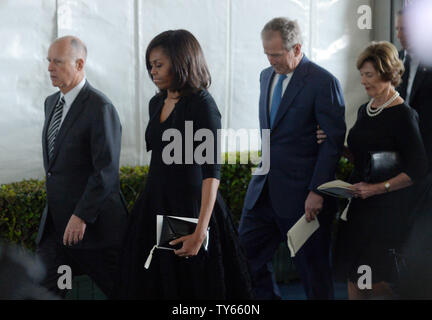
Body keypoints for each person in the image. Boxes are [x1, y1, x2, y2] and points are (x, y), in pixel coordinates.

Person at [117, 29, 253, 299]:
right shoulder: (156, 102)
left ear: (181, 62)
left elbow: (211, 174)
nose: (152, 72)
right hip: (154, 204)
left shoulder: (202, 105)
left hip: (190, 210)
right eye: (150, 66)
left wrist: (200, 232)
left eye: (159, 65)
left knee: (192, 287)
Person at [238, 17, 346, 300]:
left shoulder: (324, 82)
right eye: (266, 54)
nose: (270, 60)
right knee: (244, 259)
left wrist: (316, 191)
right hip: (262, 192)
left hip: (303, 198)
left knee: (313, 274)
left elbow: (332, 143)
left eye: (276, 54)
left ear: (297, 48)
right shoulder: (265, 76)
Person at [36, 36, 128, 299]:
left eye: (58, 61)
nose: (50, 67)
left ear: (79, 64)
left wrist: (82, 215)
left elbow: (106, 171)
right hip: (56, 226)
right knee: (48, 289)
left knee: (119, 290)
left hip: (95, 229)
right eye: (49, 61)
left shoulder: (101, 107)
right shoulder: (50, 103)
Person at [334, 41, 428, 299]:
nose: (363, 81)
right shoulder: (367, 109)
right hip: (360, 207)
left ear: (387, 74)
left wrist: (376, 189)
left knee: (375, 283)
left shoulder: (404, 115)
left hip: (386, 213)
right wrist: (334, 145)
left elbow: (418, 169)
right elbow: (364, 156)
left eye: (369, 75)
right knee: (355, 277)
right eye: (361, 74)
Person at [394, 8, 432, 299]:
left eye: (404, 29)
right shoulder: (397, 61)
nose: (398, 34)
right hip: (403, 166)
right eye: (397, 29)